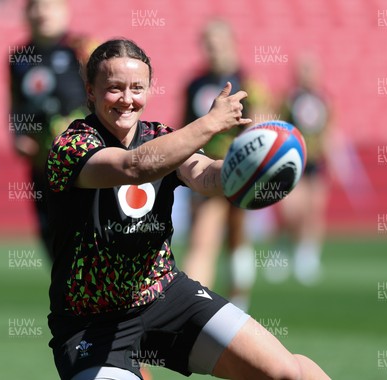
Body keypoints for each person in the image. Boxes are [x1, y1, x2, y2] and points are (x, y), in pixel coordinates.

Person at [45, 39, 330, 380]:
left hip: (165, 295)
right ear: (90, 92)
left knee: (288, 372)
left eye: (137, 88)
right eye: (114, 88)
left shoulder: (160, 136)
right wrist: (208, 123)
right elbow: (133, 167)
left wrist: (244, 173)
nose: (127, 99)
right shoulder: (72, 144)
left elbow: (205, 174)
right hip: (91, 323)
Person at [181, 19, 271, 311]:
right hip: (207, 172)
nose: (213, 50)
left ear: (232, 43)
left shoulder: (249, 84)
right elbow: (185, 128)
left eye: (219, 43)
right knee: (203, 238)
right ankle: (192, 305)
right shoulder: (195, 84)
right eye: (209, 44)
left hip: (241, 170)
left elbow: (261, 128)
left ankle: (236, 302)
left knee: (237, 237)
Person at [9, 0, 92, 258]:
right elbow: (15, 105)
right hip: (43, 166)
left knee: (90, 238)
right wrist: (18, 136)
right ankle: (68, 297)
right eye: (35, 6)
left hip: (85, 164)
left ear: (64, 11)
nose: (42, 12)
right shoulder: (17, 58)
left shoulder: (84, 49)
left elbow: (112, 97)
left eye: (49, 5)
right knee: (54, 241)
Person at [271, 55, 332, 285]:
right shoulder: (288, 99)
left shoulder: (324, 100)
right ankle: (283, 248)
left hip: (315, 163)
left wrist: (334, 158)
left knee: (314, 210)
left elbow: (329, 131)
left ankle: (308, 256)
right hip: (292, 162)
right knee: (292, 212)